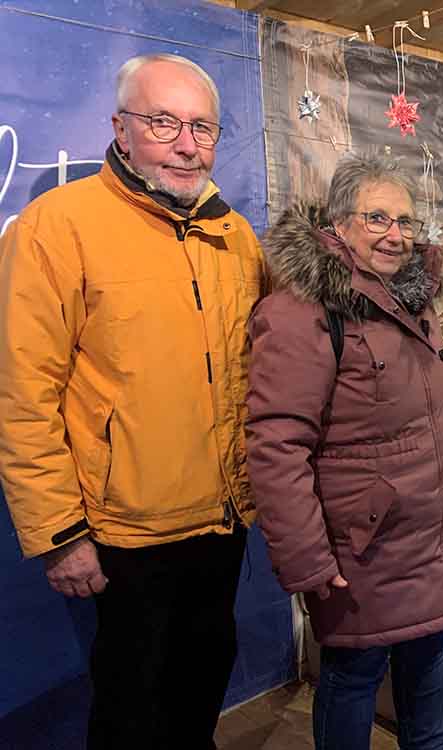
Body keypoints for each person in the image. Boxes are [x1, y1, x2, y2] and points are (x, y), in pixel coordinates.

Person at [0, 54, 262, 748]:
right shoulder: (57, 226)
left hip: (222, 520)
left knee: (202, 684)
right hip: (124, 533)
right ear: (121, 128)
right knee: (130, 710)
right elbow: (22, 393)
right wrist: (59, 534)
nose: (186, 144)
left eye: (201, 127)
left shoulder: (235, 237)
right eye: (163, 122)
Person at [246, 152, 443, 750]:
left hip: (428, 539)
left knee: (428, 690)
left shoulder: (414, 301)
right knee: (353, 678)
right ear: (338, 223)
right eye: (377, 219)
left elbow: (433, 403)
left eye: (405, 221)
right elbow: (277, 444)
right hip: (361, 552)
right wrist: (309, 561)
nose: (395, 236)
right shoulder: (302, 312)